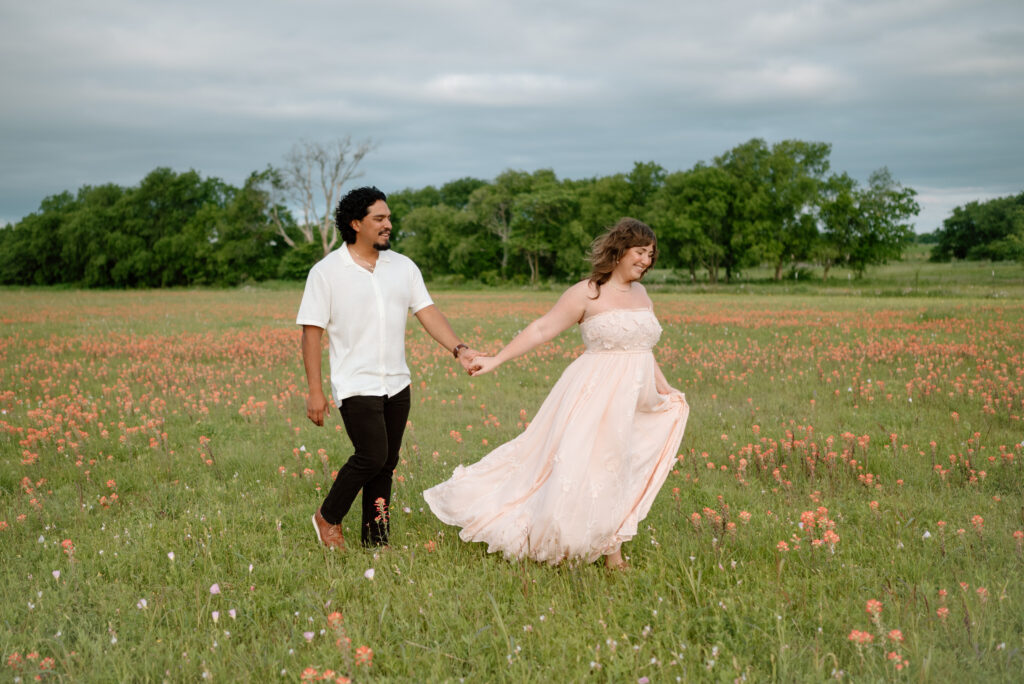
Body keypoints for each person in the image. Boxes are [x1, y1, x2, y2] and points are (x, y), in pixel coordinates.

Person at [423, 218, 689, 569]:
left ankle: (608, 542)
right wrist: (498, 359)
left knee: (620, 466)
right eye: (640, 252)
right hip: (594, 393)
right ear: (620, 251)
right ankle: (600, 551)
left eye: (651, 255)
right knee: (590, 466)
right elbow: (542, 328)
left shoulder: (641, 294)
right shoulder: (588, 292)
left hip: (633, 396)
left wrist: (664, 387)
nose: (646, 260)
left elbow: (641, 347)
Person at [297, 186, 479, 550]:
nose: (388, 224)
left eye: (389, 218)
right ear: (355, 224)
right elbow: (311, 333)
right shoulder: (327, 272)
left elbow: (426, 311)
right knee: (372, 455)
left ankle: (376, 540)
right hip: (355, 382)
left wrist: (458, 348)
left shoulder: (403, 267)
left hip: (397, 382)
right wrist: (315, 391)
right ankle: (328, 517)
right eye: (379, 218)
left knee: (386, 464)